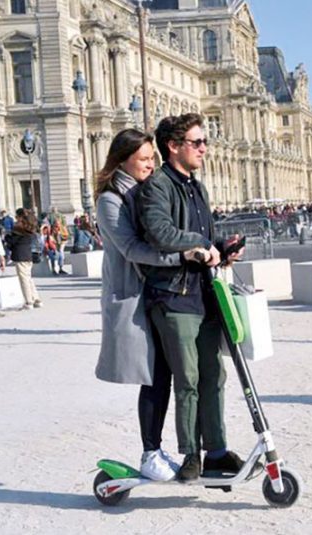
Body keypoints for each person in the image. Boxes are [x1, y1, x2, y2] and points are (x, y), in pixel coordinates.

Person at [94, 128, 210, 481]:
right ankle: (150, 452)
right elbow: (132, 249)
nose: (150, 164)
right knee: (153, 374)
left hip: (157, 291)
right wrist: (182, 258)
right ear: (122, 160)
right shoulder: (110, 198)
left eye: (151, 159)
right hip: (132, 292)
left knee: (165, 373)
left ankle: (160, 450)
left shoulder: (146, 191)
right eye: (143, 159)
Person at [138, 113, 245, 482]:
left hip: (203, 292)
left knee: (214, 374)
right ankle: (190, 456)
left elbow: (204, 238)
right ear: (173, 146)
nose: (204, 148)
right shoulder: (158, 186)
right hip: (173, 296)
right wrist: (201, 246)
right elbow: (160, 233)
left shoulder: (196, 187)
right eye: (197, 142)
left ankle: (215, 450)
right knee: (187, 378)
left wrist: (222, 248)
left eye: (205, 142)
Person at [3, 209, 42, 309]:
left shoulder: (19, 227)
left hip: (20, 255)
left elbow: (13, 241)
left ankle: (28, 301)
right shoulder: (30, 224)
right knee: (28, 278)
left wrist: (7, 237)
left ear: (19, 216)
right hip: (29, 254)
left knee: (24, 279)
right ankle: (36, 298)